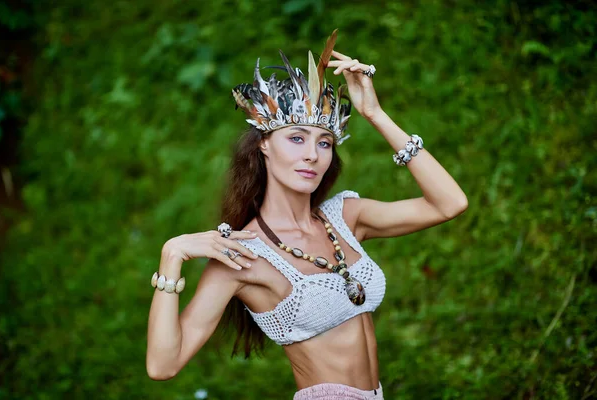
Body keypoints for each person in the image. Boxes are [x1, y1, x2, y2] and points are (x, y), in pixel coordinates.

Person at [146, 29, 468, 399]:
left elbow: (449, 204)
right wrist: (172, 255)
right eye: (296, 138)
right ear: (264, 144)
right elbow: (162, 365)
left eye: (324, 142)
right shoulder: (242, 256)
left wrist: (375, 114)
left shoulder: (345, 217)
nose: (313, 155)